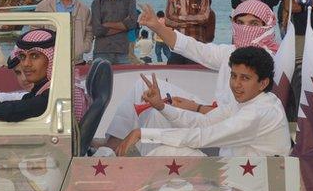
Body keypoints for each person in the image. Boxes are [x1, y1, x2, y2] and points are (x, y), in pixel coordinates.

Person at [103, 0, 281, 153]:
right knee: (150, 96)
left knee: (164, 145)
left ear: (263, 82)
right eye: (240, 22)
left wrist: (195, 108)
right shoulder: (233, 54)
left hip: (229, 147)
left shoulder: (266, 64)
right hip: (217, 118)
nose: (245, 29)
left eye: (254, 24)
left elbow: (205, 134)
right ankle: (112, 148)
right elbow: (193, 48)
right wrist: (157, 26)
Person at [114, 47, 289, 158]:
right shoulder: (247, 102)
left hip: (248, 184)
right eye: (234, 76)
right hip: (232, 172)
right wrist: (161, 106)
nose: (236, 84)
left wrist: (143, 134)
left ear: (263, 83)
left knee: (168, 153)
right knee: (165, 142)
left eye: (245, 78)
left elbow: (203, 137)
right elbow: (202, 122)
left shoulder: (260, 112)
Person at [35, 0, 93, 64]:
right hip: (49, 61)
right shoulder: (43, 6)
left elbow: (89, 32)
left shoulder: (83, 9)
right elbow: (35, 30)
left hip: (76, 61)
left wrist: (84, 47)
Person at [164, 0, 213, 64]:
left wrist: (180, 19)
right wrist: (194, 19)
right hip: (178, 46)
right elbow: (168, 20)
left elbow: (204, 18)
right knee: (172, 75)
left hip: (196, 47)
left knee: (196, 76)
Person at [91, 0, 137, 65]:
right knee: (101, 80)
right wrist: (124, 26)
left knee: (125, 80)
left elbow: (132, 24)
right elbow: (97, 30)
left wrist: (106, 24)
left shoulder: (129, 0)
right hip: (101, 51)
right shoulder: (96, 3)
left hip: (123, 50)